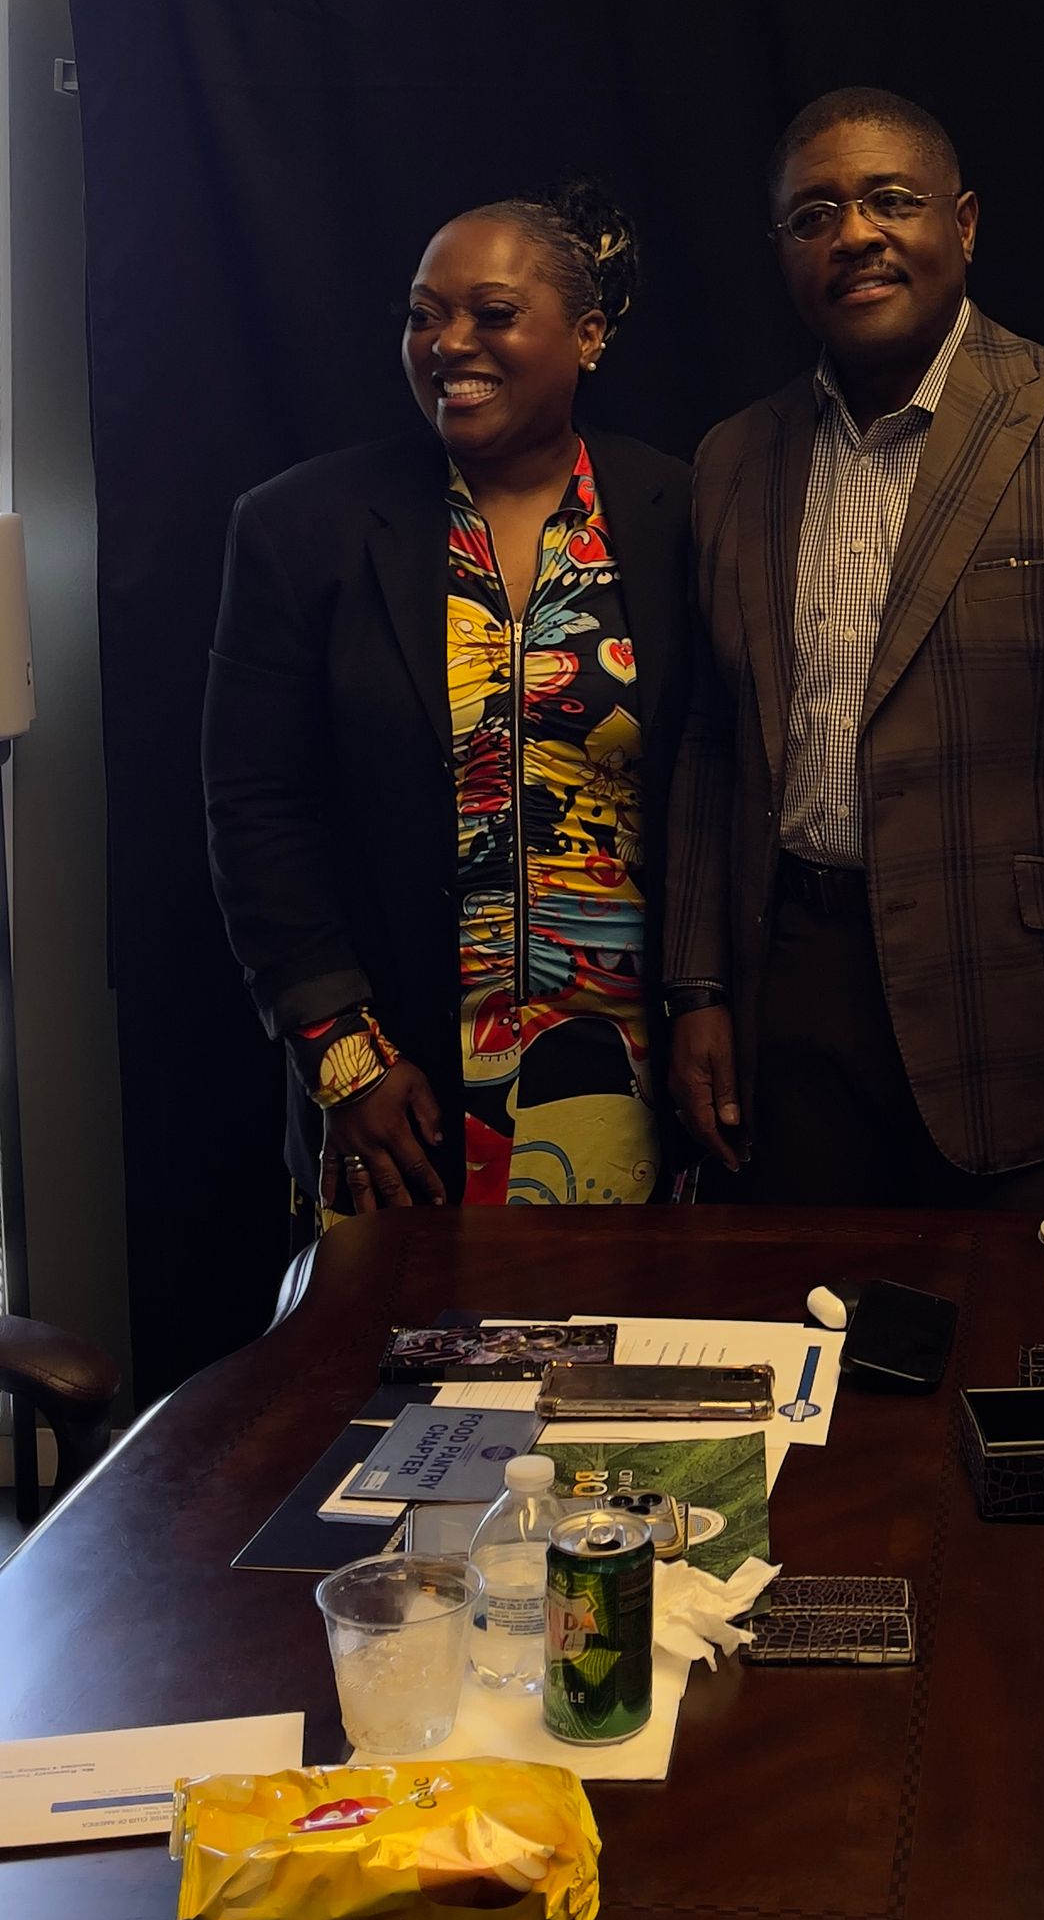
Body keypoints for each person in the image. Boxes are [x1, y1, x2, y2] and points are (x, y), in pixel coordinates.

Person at [665, 85, 1044, 1208]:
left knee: (1016, 1363)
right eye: (814, 214)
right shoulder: (734, 458)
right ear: (784, 247)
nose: (855, 235)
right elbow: (710, 737)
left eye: (891, 199)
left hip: (1027, 1010)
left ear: (966, 222)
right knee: (808, 1353)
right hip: (789, 1002)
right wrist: (698, 984)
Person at [204, 181, 693, 1226]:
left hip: (625, 1092)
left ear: (589, 334)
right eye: (425, 314)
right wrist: (342, 1055)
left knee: (610, 1377)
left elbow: (725, 788)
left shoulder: (680, 514)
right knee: (385, 1383)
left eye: (493, 312)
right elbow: (255, 807)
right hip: (395, 1099)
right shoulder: (301, 529)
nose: (447, 341)